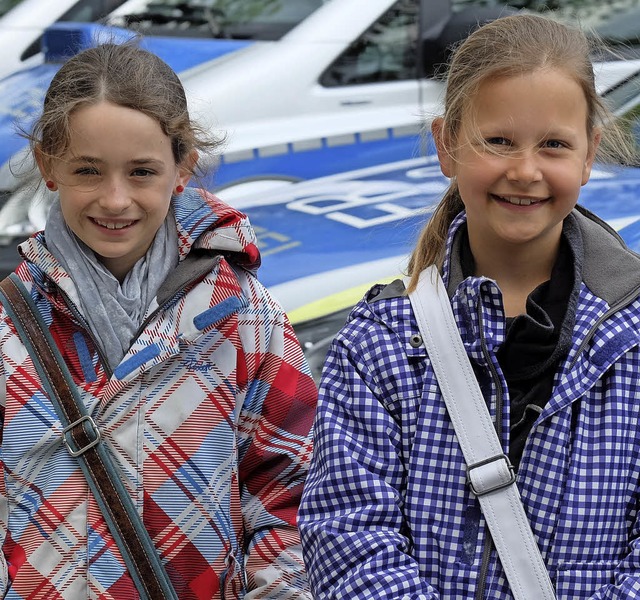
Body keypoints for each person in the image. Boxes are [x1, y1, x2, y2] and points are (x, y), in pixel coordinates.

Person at [298, 13, 640, 599]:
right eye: (498, 141)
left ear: (588, 156)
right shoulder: (379, 344)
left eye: (554, 144)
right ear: (446, 145)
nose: (525, 170)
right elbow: (349, 539)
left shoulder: (629, 338)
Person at [0, 41, 317, 598]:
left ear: (183, 169)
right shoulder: (8, 327)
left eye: (141, 171)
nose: (116, 199)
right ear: (49, 166)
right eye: (88, 171)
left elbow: (290, 486)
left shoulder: (241, 318)